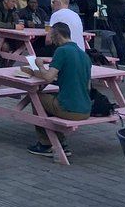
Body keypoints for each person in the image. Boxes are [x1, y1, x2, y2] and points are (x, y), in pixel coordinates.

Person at [22, 21, 91, 157]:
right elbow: (86, 85)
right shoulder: (83, 54)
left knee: (36, 97)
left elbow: (48, 78)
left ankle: (46, 143)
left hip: (70, 109)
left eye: (52, 36)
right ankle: (59, 140)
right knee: (52, 96)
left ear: (57, 35)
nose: (51, 40)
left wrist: (40, 65)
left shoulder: (62, 51)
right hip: (86, 108)